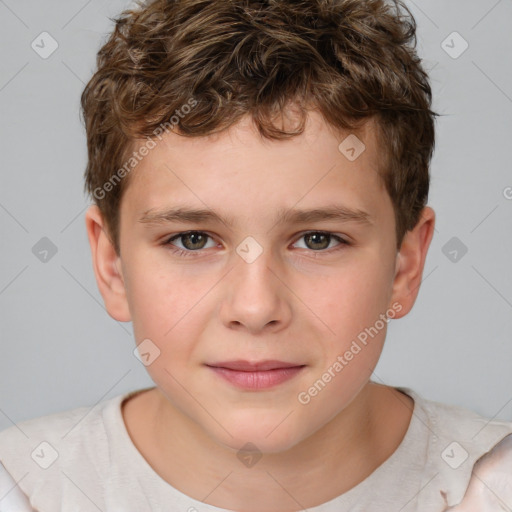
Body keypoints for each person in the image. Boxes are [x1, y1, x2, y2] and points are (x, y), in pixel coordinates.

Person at [1, 0, 511, 510]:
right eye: (193, 240)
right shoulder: (23, 487)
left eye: (318, 239)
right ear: (112, 266)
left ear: (405, 265)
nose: (255, 308)